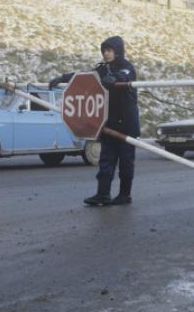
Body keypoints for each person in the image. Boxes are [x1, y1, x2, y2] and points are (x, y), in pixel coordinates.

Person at [49, 36, 139, 206]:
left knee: (126, 163)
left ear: (118, 52)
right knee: (105, 161)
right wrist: (63, 78)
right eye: (104, 50)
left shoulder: (127, 67)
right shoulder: (101, 69)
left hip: (126, 125)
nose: (106, 54)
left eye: (110, 50)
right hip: (107, 123)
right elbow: (83, 77)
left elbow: (124, 76)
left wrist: (114, 78)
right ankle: (102, 195)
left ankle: (124, 195)